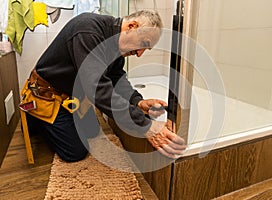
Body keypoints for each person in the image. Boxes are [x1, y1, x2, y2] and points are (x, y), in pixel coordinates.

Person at [25, 10, 186, 162]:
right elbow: (97, 89)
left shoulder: (116, 47)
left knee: (92, 132)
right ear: (132, 27)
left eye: (146, 48)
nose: (140, 54)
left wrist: (137, 101)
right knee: (75, 152)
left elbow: (116, 78)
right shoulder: (87, 31)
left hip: (72, 96)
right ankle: (34, 118)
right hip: (47, 94)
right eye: (143, 43)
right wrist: (145, 126)